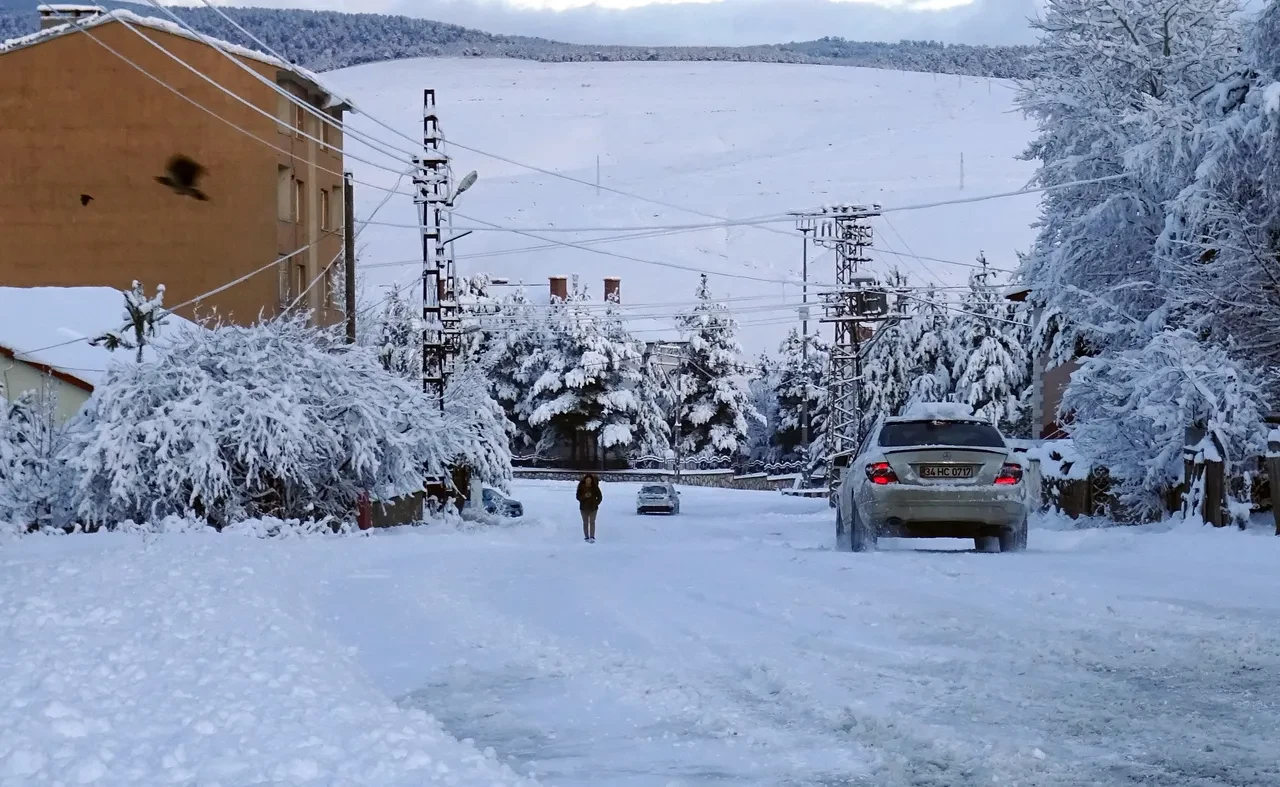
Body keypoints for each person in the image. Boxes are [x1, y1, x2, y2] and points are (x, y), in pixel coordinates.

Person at [576, 473, 603, 542]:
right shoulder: (581, 487)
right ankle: (586, 537)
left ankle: (592, 536)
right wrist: (584, 496)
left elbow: (600, 496)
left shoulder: (595, 487)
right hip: (583, 508)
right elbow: (578, 497)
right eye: (587, 480)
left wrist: (596, 503)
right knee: (585, 522)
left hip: (593, 508)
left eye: (589, 480)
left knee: (592, 522)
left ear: (591, 480)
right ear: (585, 480)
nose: (588, 481)